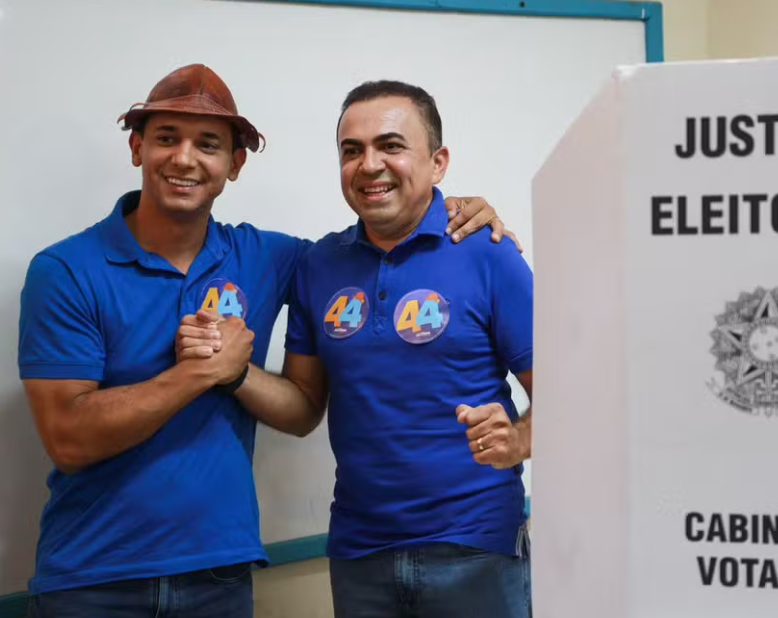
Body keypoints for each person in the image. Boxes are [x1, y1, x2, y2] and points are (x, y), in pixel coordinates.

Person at [17, 64, 514, 618]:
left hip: (219, 577)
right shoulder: (66, 270)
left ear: (234, 164)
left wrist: (455, 210)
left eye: (208, 144)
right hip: (90, 581)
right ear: (137, 148)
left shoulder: (276, 259)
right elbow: (69, 439)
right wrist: (198, 373)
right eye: (166, 138)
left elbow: (304, 406)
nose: (184, 158)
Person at [179, 79, 533, 618]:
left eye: (391, 146)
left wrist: (518, 441)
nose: (369, 165)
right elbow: (303, 405)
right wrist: (234, 372)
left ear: (438, 163)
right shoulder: (319, 265)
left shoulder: (488, 252)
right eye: (352, 150)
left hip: (476, 549)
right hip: (358, 555)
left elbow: (570, 393)